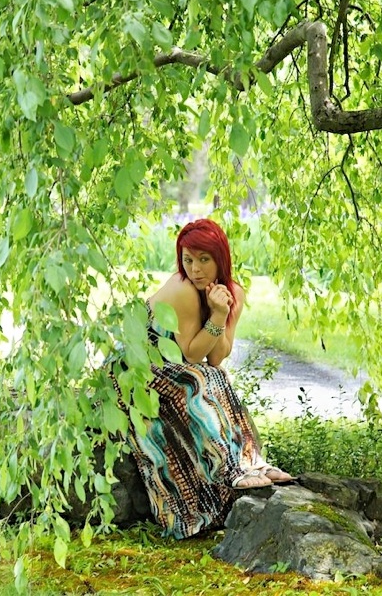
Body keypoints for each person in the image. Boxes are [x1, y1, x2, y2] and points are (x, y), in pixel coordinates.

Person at [108, 218, 294, 539]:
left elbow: (216, 357)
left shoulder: (232, 292)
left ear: (220, 258)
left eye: (204, 260)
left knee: (216, 376)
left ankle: (251, 461)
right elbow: (194, 355)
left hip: (175, 368)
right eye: (187, 260)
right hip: (135, 370)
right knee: (200, 380)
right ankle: (230, 469)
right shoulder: (182, 290)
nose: (195, 269)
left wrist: (222, 311)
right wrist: (218, 316)